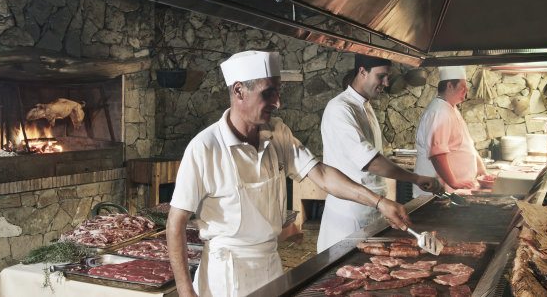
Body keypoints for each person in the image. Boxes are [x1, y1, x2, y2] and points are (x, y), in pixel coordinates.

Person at [167, 51, 411, 297]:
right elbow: (175, 223)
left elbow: (322, 174)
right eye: (268, 93)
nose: (278, 103)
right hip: (226, 276)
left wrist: (379, 202)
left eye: (278, 92)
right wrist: (186, 293)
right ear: (239, 91)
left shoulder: (277, 133)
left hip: (271, 265)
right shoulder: (205, 148)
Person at [316, 54, 441, 252]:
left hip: (372, 208)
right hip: (350, 215)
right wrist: (415, 178)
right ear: (362, 72)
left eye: (387, 77)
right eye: (381, 76)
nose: (386, 83)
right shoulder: (340, 108)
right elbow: (371, 162)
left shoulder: (365, 106)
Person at [413, 66, 487, 197]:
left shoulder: (451, 108)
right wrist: (453, 182)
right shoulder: (439, 112)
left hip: (452, 190)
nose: (466, 91)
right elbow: (437, 154)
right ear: (449, 86)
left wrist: (480, 168)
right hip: (437, 190)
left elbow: (465, 143)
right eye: (463, 87)